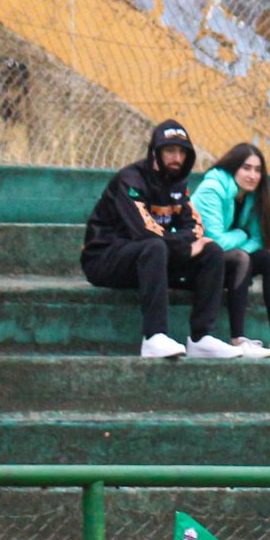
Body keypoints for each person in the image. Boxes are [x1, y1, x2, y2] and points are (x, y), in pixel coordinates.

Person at [79, 119, 238, 360]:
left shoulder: (178, 186)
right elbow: (144, 232)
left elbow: (195, 227)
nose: (176, 158)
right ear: (156, 153)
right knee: (154, 247)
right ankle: (154, 337)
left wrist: (186, 243)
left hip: (151, 260)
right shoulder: (129, 182)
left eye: (182, 152)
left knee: (211, 251)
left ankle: (202, 338)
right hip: (105, 259)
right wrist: (185, 249)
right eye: (170, 151)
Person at [190, 141, 270, 359]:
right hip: (197, 261)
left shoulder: (251, 195)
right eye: (246, 168)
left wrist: (246, 241)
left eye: (258, 170)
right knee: (242, 258)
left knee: (269, 258)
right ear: (233, 168)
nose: (252, 175)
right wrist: (242, 235)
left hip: (228, 260)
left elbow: (259, 239)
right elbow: (216, 241)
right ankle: (238, 339)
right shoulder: (211, 189)